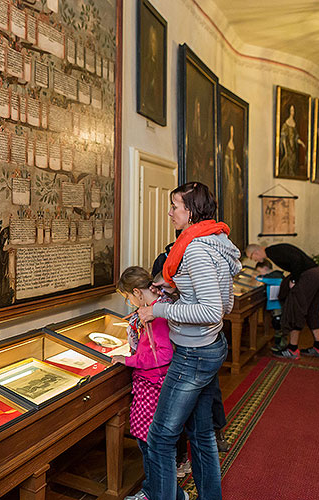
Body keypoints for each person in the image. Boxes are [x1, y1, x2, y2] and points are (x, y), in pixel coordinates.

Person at [137, 182, 241, 500]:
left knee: (160, 437)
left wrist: (159, 309)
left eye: (175, 206)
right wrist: (174, 292)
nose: (170, 212)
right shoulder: (214, 240)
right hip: (209, 346)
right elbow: (226, 303)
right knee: (201, 433)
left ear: (191, 211)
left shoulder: (195, 248)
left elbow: (211, 310)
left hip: (194, 353)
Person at [114, 266, 174, 500]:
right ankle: (162, 491)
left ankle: (156, 492)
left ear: (138, 292)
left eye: (128, 297)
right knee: (147, 442)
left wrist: (129, 359)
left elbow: (162, 354)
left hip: (153, 384)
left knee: (150, 444)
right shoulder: (157, 305)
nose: (128, 302)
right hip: (150, 382)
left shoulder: (154, 315)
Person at [245, 243, 319, 359]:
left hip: (308, 276)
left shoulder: (273, 252)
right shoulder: (274, 250)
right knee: (312, 312)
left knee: (295, 311)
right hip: (318, 274)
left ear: (256, 252)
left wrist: (293, 280)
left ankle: (292, 349)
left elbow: (296, 260)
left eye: (251, 257)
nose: (254, 260)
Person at [254, 259, 286, 351]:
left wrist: (256, 277)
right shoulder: (273, 276)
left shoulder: (275, 277)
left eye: (259, 271)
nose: (260, 273)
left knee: (278, 323)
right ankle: (278, 343)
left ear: (265, 268)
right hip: (275, 304)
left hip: (278, 305)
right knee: (276, 324)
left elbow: (267, 280)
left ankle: (281, 344)